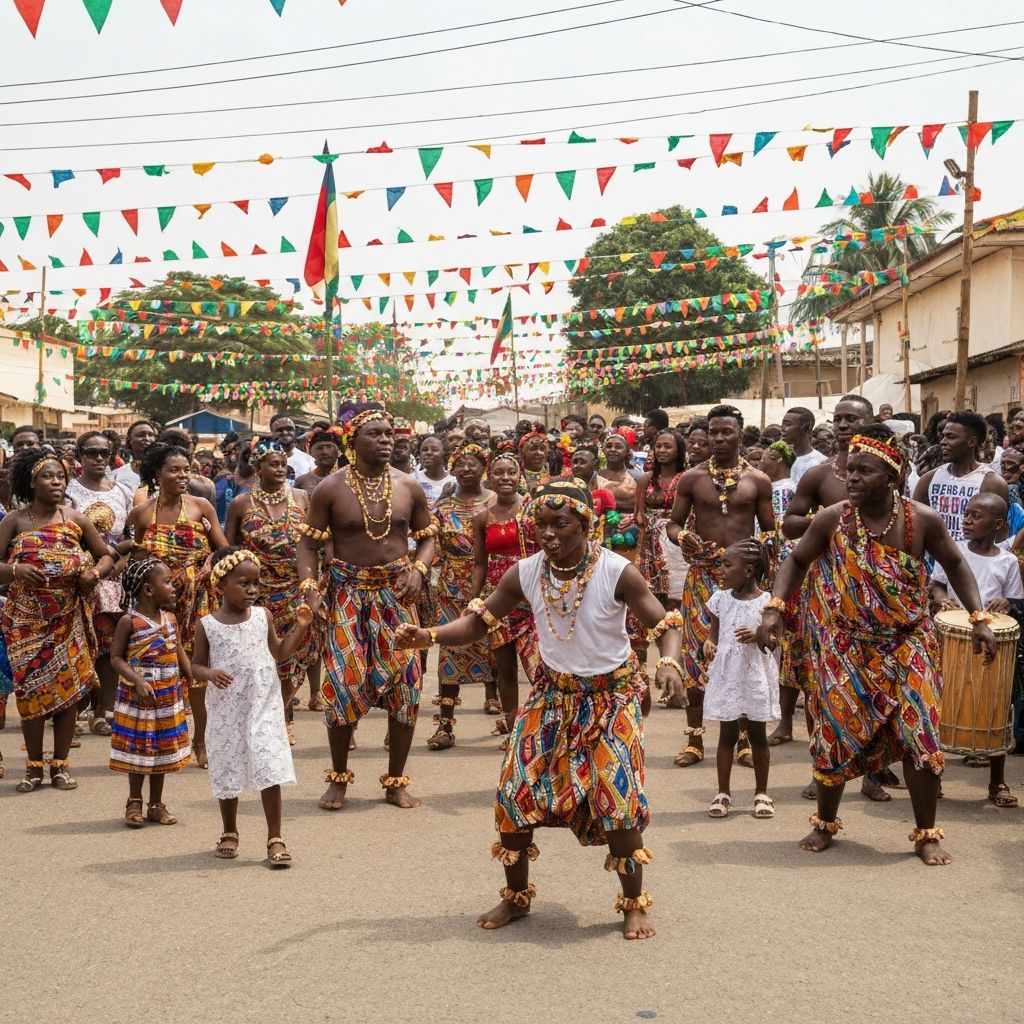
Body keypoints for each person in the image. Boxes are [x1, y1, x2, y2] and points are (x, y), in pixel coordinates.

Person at [396, 481, 688, 940]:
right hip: (551, 696)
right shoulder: (525, 572)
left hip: (611, 698)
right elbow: (478, 621)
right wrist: (429, 635)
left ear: (586, 525)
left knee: (618, 803)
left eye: (560, 524)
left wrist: (669, 663)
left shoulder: (617, 571)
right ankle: (515, 898)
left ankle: (634, 903)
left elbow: (665, 623)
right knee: (514, 796)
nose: (548, 534)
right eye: (541, 525)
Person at [757, 427, 997, 865]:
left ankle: (926, 832)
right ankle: (825, 824)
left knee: (920, 737)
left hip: (908, 647)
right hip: (846, 649)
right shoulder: (832, 518)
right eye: (851, 471)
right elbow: (795, 560)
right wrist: (774, 608)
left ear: (891, 477)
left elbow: (957, 564)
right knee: (834, 735)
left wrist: (978, 616)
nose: (853, 478)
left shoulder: (921, 519)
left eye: (865, 471)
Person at [296, 404, 435, 812]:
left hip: (397, 595)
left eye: (389, 434)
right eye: (375, 434)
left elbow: (428, 536)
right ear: (352, 443)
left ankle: (396, 781)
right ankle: (338, 778)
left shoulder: (409, 486)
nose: (386, 440)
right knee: (342, 683)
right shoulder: (330, 489)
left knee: (406, 685)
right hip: (347, 595)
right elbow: (307, 543)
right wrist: (310, 588)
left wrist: (420, 569)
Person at [775, 395, 896, 800]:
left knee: (878, 684)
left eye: (852, 419)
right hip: (825, 592)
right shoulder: (819, 475)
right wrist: (828, 520)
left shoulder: (891, 473)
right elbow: (789, 524)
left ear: (870, 423)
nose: (844, 426)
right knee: (822, 684)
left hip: (878, 596)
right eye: (839, 419)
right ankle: (825, 767)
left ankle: (873, 772)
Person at [666, 406, 775, 768]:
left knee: (742, 656)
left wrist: (761, 556)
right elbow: (672, 524)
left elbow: (770, 529)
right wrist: (682, 535)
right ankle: (695, 739)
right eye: (713, 432)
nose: (718, 438)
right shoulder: (692, 478)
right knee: (697, 655)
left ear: (740, 435)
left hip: (743, 584)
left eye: (726, 431)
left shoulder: (758, 479)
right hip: (701, 578)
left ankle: (742, 739)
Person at [1, 447, 115, 792]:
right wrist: (15, 569)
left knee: (69, 691)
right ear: (31, 482)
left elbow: (107, 557)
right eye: (48, 476)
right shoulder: (15, 520)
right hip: (27, 623)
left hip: (69, 619)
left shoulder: (75, 520)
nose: (56, 482)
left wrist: (93, 574)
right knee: (31, 693)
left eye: (61, 476)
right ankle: (34, 767)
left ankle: (61, 766)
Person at [192, 547, 312, 867]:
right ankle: (229, 831)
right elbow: (194, 666)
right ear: (221, 585)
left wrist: (300, 627)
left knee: (268, 764)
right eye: (243, 583)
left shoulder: (263, 616)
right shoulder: (208, 625)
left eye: (256, 584)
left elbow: (280, 653)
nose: (252, 590)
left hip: (263, 704)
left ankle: (275, 837)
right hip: (226, 707)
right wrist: (209, 673)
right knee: (228, 765)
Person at [128, 442, 228, 769]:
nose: (182, 475)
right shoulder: (143, 513)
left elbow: (224, 549)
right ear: (158, 474)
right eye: (174, 469)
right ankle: (167, 740)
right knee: (162, 671)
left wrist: (211, 562)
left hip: (199, 599)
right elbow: (138, 555)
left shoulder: (201, 507)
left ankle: (201, 741)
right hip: (160, 606)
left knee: (197, 673)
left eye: (186, 469)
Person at [930, 493, 1023, 806]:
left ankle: (997, 783)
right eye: (966, 515)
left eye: (975, 516)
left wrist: (1008, 602)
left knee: (995, 708)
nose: (967, 520)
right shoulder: (954, 549)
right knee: (941, 707)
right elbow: (937, 584)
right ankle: (934, 778)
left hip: (990, 640)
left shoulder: (1007, 561)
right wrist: (941, 599)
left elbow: (1015, 601)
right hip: (952, 634)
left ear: (997, 525)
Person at [226, 440, 319, 728]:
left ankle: (280, 714)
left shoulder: (302, 498)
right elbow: (231, 549)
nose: (281, 469)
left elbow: (315, 541)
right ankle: (268, 717)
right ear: (258, 468)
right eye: (273, 464)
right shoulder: (241, 504)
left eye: (283, 464)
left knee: (297, 655)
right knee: (261, 658)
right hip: (257, 595)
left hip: (296, 588)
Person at [108, 558, 192, 827]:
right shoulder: (129, 622)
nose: (173, 586)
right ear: (147, 590)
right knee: (139, 749)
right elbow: (116, 658)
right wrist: (136, 680)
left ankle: (156, 803)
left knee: (162, 749)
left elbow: (177, 649)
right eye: (166, 582)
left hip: (167, 695)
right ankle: (134, 801)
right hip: (139, 696)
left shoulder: (170, 619)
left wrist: (191, 673)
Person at [703, 541, 781, 820]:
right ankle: (723, 792)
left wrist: (761, 634)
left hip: (754, 674)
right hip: (728, 674)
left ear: (748, 570)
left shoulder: (767, 603)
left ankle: (762, 793)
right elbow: (714, 633)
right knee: (727, 734)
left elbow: (774, 641)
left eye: (727, 565)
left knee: (758, 735)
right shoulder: (720, 599)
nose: (721, 570)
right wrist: (709, 644)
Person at [66, 430, 135, 736]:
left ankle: (102, 711)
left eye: (103, 453)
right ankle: (73, 709)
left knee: (109, 649)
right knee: (77, 646)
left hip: (113, 581)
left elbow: (129, 540)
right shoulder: (67, 491)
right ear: (79, 456)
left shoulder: (121, 492)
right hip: (76, 579)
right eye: (91, 453)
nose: (97, 459)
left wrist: (115, 567)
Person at [428, 443, 496, 748]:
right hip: (451, 590)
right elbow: (433, 549)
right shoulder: (442, 509)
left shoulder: (496, 502)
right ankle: (445, 726)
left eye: (473, 464)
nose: (467, 469)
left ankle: (503, 711)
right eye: (461, 465)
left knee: (497, 651)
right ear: (453, 469)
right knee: (450, 654)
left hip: (494, 587)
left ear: (484, 468)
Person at [470, 451, 539, 738]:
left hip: (534, 598)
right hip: (499, 600)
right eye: (498, 472)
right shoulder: (482, 517)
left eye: (511, 471)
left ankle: (543, 726)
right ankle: (514, 730)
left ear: (520, 474)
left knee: (539, 667)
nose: (505, 478)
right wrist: (474, 601)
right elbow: (479, 564)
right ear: (489, 477)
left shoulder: (535, 510)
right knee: (505, 669)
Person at [914, 410, 1007, 542]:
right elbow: (915, 526)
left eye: (951, 437)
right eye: (943, 437)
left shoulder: (991, 483)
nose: (943, 442)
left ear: (971, 442)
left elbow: (999, 536)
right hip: (933, 561)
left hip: (974, 561)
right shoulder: (929, 480)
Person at [636, 429, 688, 623]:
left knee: (677, 594)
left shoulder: (687, 478)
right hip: (651, 544)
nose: (662, 450)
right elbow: (639, 516)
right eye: (658, 446)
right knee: (654, 596)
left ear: (678, 451)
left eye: (668, 446)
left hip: (677, 542)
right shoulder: (645, 479)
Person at [597, 432, 640, 561]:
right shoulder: (594, 476)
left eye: (618, 446)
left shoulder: (636, 476)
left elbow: (645, 507)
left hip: (630, 533)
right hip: (601, 535)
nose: (613, 450)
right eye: (609, 446)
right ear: (603, 450)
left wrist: (633, 520)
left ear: (627, 452)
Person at [781, 407, 827, 485]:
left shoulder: (821, 463)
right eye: (782, 424)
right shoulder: (778, 458)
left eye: (788, 424)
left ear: (806, 429)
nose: (783, 428)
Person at [294, 425, 342, 496]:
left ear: (337, 452)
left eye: (329, 447)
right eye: (319, 448)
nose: (324, 452)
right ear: (312, 453)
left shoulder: (346, 478)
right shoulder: (302, 481)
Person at [414, 434, 455, 504]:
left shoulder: (454, 482)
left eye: (434, 449)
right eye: (424, 450)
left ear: (444, 455)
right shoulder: (412, 479)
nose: (428, 453)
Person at [270, 414, 315, 478]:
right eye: (279, 430)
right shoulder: (262, 461)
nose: (285, 433)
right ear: (272, 433)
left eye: (289, 429)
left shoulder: (309, 461)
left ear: (295, 431)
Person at [518, 429, 552, 494]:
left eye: (542, 449)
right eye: (533, 449)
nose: (539, 453)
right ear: (522, 454)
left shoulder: (554, 474)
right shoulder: (516, 478)